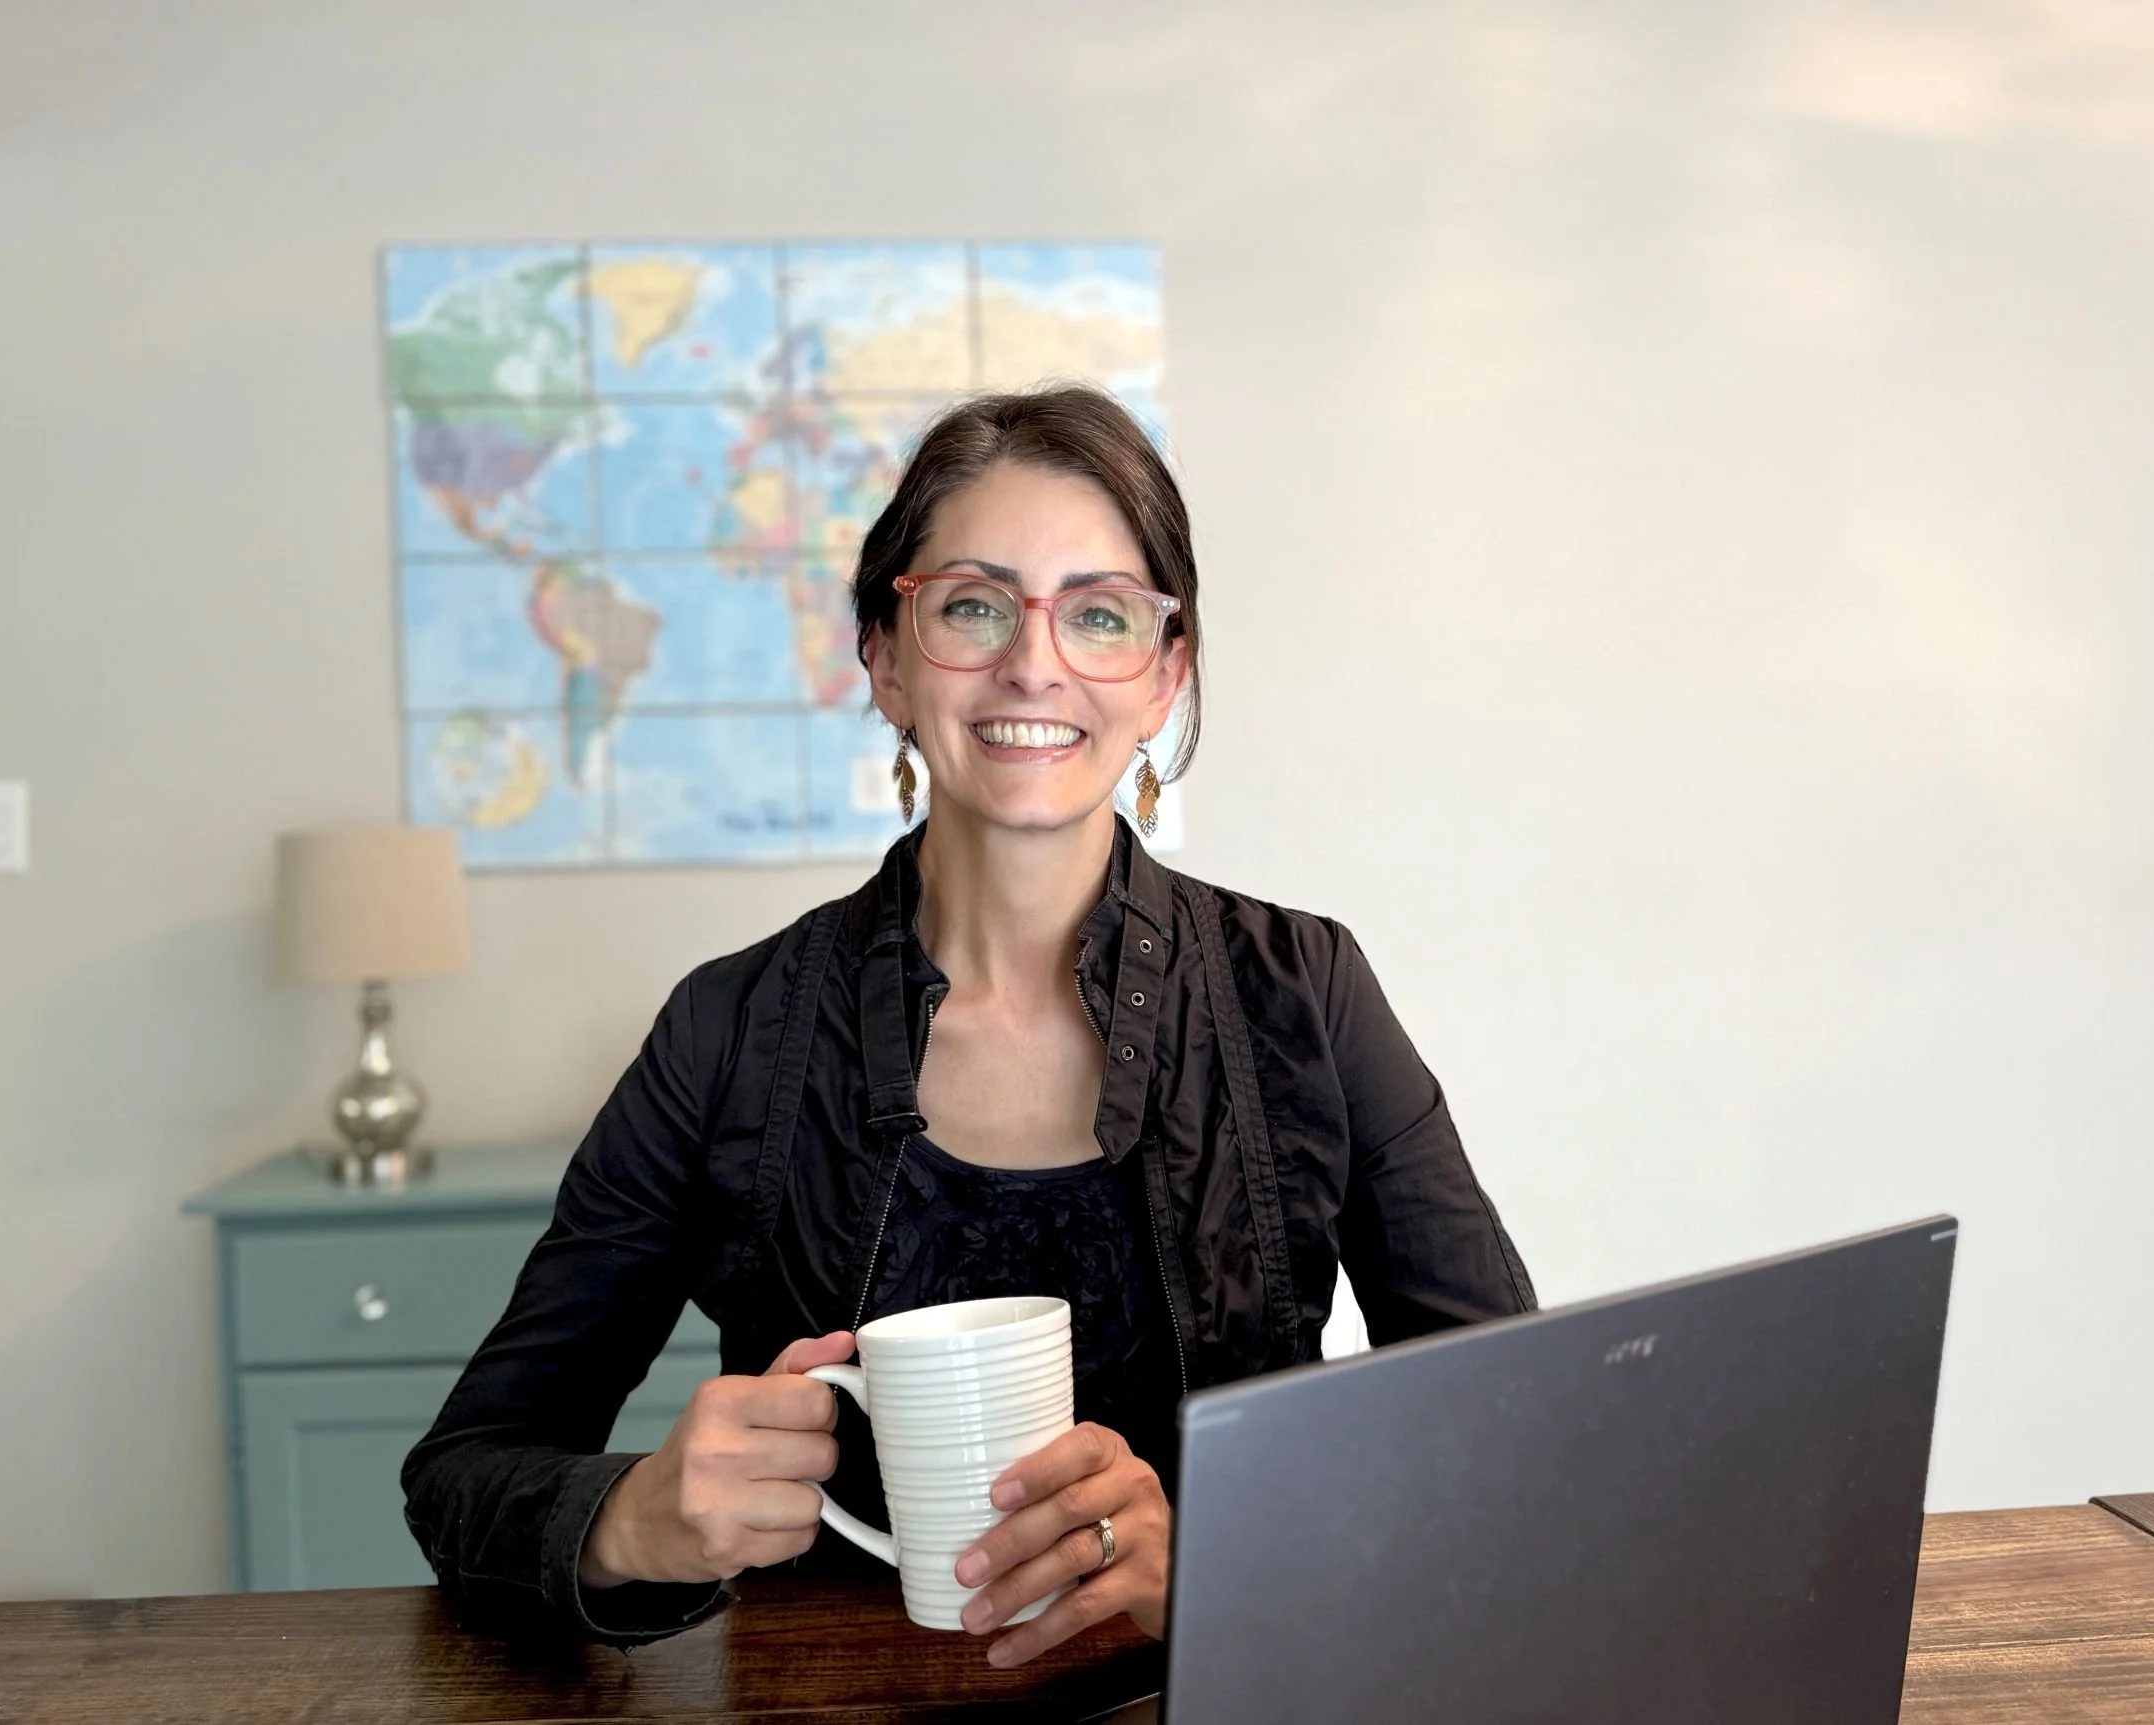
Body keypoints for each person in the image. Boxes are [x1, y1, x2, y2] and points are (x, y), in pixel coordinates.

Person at [401, 385, 1534, 1669]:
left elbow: (1509, 1435)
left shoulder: (1305, 992)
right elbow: (464, 1472)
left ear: (1162, 677)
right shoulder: (728, 1028)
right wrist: (630, 1519)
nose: (1033, 664)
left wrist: (1226, 1568)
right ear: (886, 660)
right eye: (973, 606)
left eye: (1098, 614)